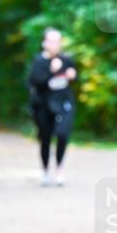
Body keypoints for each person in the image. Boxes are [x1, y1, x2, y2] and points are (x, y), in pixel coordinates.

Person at [28, 28, 77, 186]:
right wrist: (51, 70)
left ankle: (59, 168)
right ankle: (45, 169)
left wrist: (73, 75)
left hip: (63, 103)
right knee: (45, 138)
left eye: (58, 41)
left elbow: (74, 77)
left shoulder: (66, 59)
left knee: (63, 134)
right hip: (43, 106)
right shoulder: (39, 61)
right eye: (52, 41)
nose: (55, 44)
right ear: (44, 43)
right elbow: (35, 82)